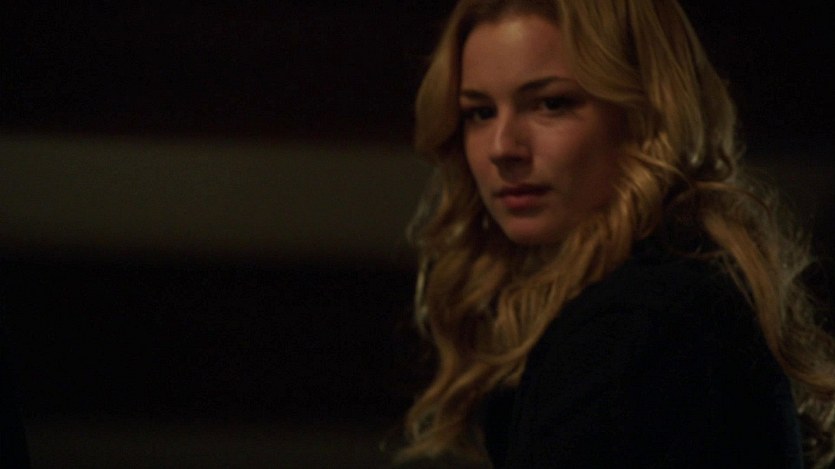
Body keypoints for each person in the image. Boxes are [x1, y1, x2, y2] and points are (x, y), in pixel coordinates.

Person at [397, 0, 835, 467]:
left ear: (644, 111)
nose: (503, 148)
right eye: (480, 112)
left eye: (552, 104)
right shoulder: (667, 291)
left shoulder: (640, 321)